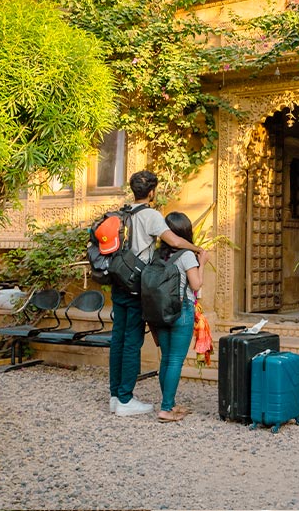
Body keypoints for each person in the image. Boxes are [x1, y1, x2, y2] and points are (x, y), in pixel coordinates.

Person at [108, 170, 205, 416]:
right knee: (131, 342)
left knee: (117, 340)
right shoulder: (149, 214)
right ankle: (126, 400)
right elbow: (173, 241)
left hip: (118, 281)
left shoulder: (123, 212)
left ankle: (115, 396)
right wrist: (197, 249)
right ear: (151, 192)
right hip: (134, 286)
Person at [151, 211, 204, 422]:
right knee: (175, 361)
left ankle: (170, 404)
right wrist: (204, 264)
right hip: (181, 311)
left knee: (166, 358)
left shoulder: (156, 255)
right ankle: (165, 409)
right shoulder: (187, 255)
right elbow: (196, 285)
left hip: (159, 311)